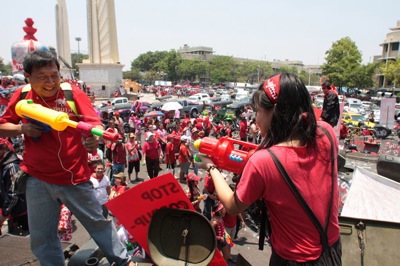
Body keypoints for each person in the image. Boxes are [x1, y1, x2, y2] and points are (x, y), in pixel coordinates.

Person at [0, 50, 134, 265]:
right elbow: (2, 126)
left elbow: (94, 122)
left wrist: (93, 137)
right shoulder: (23, 96)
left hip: (75, 177)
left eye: (54, 75)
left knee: (98, 224)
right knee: (42, 237)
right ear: (27, 76)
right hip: (37, 179)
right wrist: (20, 128)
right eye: (43, 77)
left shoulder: (71, 93)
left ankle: (125, 261)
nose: (51, 82)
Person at [197, 73, 341, 265]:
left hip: (292, 259)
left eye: (257, 111)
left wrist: (211, 167)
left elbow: (232, 205)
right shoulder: (326, 133)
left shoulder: (263, 161)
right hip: (332, 251)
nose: (256, 119)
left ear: (274, 112)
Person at [0, 137, 27, 235]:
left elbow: (13, 193)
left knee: (24, 239)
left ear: (4, 149)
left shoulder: (11, 166)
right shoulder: (3, 165)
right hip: (12, 211)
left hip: (21, 211)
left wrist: (4, 214)